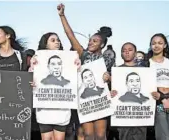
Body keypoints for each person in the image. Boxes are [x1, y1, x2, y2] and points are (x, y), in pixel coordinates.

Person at [57, 3, 114, 140]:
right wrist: (62, 15)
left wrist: (109, 78)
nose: (90, 43)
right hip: (85, 99)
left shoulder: (108, 58)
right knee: (88, 135)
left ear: (102, 44)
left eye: (95, 41)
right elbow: (70, 36)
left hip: (101, 99)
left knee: (100, 135)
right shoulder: (83, 55)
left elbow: (116, 79)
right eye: (90, 40)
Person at [29, 32, 81, 140]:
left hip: (61, 111)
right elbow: (30, 81)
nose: (57, 42)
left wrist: (77, 67)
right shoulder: (36, 60)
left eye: (58, 40)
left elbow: (77, 83)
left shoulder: (69, 61)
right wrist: (31, 79)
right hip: (44, 110)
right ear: (45, 44)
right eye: (53, 40)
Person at [110, 42, 159, 140]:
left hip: (141, 119)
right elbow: (111, 92)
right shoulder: (116, 71)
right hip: (123, 119)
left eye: (130, 50)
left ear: (135, 52)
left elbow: (150, 89)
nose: (127, 52)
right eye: (124, 51)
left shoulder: (145, 71)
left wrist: (155, 94)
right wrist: (111, 93)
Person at [146, 33, 169, 140]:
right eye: (153, 43)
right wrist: (163, 99)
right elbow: (147, 84)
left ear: (165, 45)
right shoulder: (147, 63)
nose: (156, 46)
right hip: (158, 102)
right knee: (163, 136)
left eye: (160, 43)